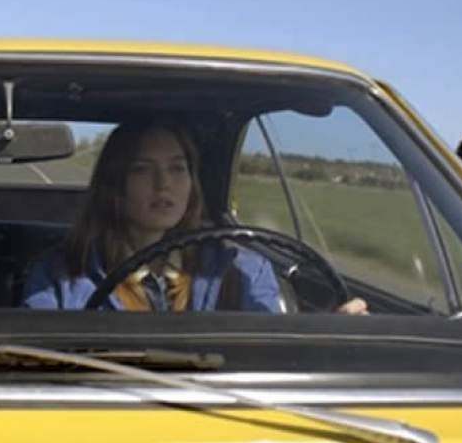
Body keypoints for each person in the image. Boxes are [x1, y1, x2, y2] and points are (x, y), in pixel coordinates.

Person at [22, 121, 367, 314]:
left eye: (177, 168)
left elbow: (278, 357)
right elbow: (40, 370)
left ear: (192, 181)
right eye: (142, 169)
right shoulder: (59, 276)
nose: (164, 184)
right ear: (115, 185)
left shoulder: (242, 270)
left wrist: (329, 335)